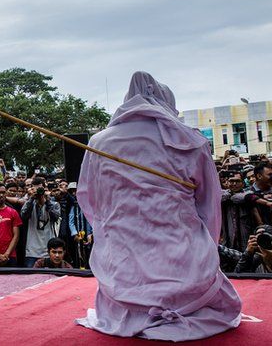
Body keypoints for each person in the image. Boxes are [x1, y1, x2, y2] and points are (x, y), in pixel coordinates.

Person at [75, 71, 241, 341]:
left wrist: (111, 229)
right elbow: (209, 202)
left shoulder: (100, 142)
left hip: (122, 254)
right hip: (182, 251)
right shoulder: (191, 140)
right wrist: (206, 245)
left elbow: (89, 197)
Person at [21, 178, 62, 267]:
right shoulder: (30, 203)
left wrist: (46, 201)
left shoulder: (54, 204)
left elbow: (55, 217)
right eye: (35, 189)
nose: (38, 192)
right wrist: (31, 198)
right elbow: (23, 216)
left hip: (49, 249)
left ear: (44, 189)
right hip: (32, 250)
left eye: (40, 189)